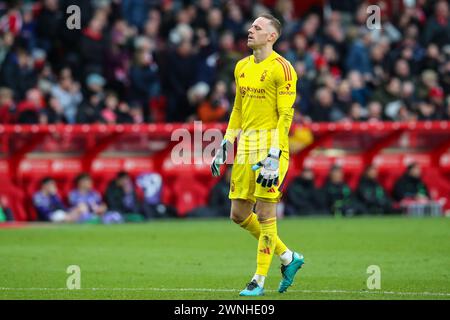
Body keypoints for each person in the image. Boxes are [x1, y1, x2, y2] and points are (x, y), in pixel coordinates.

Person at [210, 14, 303, 296]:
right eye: (251, 26)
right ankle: (288, 257)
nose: (250, 30)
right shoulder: (241, 67)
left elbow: (286, 115)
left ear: (272, 36)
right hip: (245, 147)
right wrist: (226, 142)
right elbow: (238, 109)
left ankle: (258, 280)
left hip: (271, 148)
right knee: (238, 214)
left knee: (264, 214)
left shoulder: (283, 69)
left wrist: (274, 154)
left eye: (258, 28)